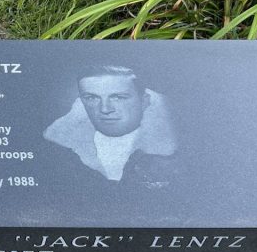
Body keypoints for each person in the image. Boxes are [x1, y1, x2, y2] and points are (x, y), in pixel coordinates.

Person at [43, 65, 178, 189]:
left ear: (144, 101)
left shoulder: (173, 149)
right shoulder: (59, 149)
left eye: (118, 97)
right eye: (91, 98)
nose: (105, 109)